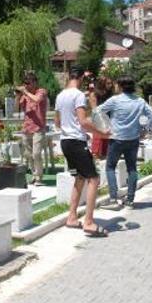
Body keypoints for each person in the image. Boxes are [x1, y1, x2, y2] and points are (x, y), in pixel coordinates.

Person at [55, 67, 111, 237]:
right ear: (80, 78)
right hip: (76, 142)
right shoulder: (78, 95)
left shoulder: (60, 95)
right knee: (94, 178)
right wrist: (101, 133)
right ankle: (89, 222)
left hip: (65, 142)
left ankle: (72, 217)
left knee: (80, 178)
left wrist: (69, 128)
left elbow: (57, 122)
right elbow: (83, 121)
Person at [96, 75, 152, 209]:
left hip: (116, 138)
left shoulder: (115, 100)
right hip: (133, 138)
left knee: (110, 167)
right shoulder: (140, 101)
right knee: (132, 168)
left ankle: (113, 198)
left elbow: (99, 111)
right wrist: (146, 129)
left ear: (121, 86)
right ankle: (130, 199)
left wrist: (105, 126)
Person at [15, 72, 48, 186]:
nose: (27, 85)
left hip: (38, 128)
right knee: (28, 155)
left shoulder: (41, 92)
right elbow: (16, 108)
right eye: (25, 84)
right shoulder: (25, 95)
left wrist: (26, 92)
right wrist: (18, 95)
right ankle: (34, 176)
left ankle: (39, 177)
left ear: (34, 82)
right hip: (27, 128)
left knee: (36, 153)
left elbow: (37, 100)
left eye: (28, 83)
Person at [88, 76, 115, 160]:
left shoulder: (110, 95)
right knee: (97, 148)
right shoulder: (94, 94)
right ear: (102, 84)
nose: (110, 85)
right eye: (108, 83)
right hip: (99, 122)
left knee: (106, 149)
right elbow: (94, 110)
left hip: (109, 122)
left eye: (111, 83)